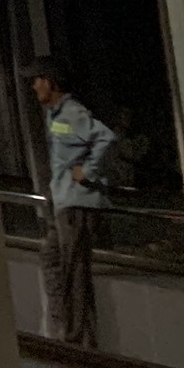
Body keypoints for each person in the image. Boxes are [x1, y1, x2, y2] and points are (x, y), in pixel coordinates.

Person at [30, 59, 117, 349]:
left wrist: (88, 172)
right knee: (53, 258)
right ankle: (64, 328)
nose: (34, 86)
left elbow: (105, 137)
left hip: (76, 205)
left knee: (75, 272)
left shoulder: (72, 113)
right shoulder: (56, 117)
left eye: (38, 80)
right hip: (64, 203)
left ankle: (76, 340)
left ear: (50, 82)